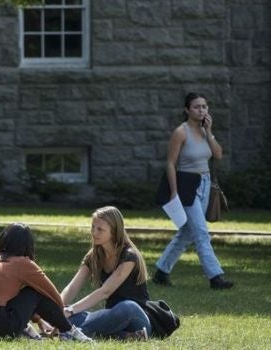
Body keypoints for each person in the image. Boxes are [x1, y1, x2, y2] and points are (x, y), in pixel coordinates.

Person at [0, 223, 92, 342]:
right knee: (33, 292)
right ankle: (69, 332)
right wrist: (60, 322)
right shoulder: (24, 263)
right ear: (28, 245)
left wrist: (38, 320)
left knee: (13, 293)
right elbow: (53, 296)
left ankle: (26, 328)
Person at [153, 92, 234, 290]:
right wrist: (174, 192)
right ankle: (215, 277)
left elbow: (218, 154)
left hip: (205, 184)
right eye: (197, 107)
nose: (202, 110)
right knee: (201, 233)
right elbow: (171, 164)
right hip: (186, 186)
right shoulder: (181, 132)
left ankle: (161, 272)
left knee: (188, 232)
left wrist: (210, 131)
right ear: (187, 110)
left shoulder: (206, 131)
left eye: (204, 106)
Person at [60, 206, 151, 340]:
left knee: (127, 306)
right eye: (93, 227)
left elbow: (105, 291)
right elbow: (73, 287)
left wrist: (70, 310)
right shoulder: (94, 256)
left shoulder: (129, 256)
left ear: (114, 232)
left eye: (100, 229)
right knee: (71, 315)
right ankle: (125, 336)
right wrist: (56, 311)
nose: (94, 233)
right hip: (110, 318)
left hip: (135, 318)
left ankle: (75, 333)